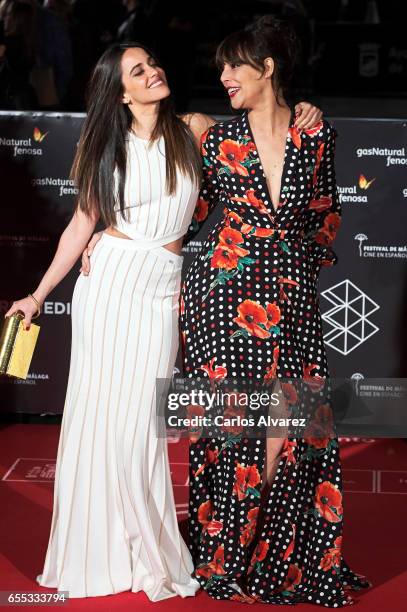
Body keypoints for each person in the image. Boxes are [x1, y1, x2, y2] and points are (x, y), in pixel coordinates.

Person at [6, 42, 209, 600]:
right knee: (99, 419)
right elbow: (80, 225)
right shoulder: (103, 147)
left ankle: (142, 545)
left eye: (152, 63)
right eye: (137, 71)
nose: (153, 72)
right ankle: (102, 552)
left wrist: (303, 109)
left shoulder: (195, 128)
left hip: (161, 289)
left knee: (141, 422)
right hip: (110, 287)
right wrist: (40, 293)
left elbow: (245, 178)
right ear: (120, 92)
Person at [179, 15, 371, 606]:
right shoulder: (216, 138)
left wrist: (295, 267)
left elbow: (326, 212)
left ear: (268, 69)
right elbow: (185, 209)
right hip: (225, 298)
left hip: (291, 297)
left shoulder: (315, 132)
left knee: (291, 423)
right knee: (235, 426)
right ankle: (228, 552)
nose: (224, 75)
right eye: (221, 65)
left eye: (235, 64)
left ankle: (269, 552)